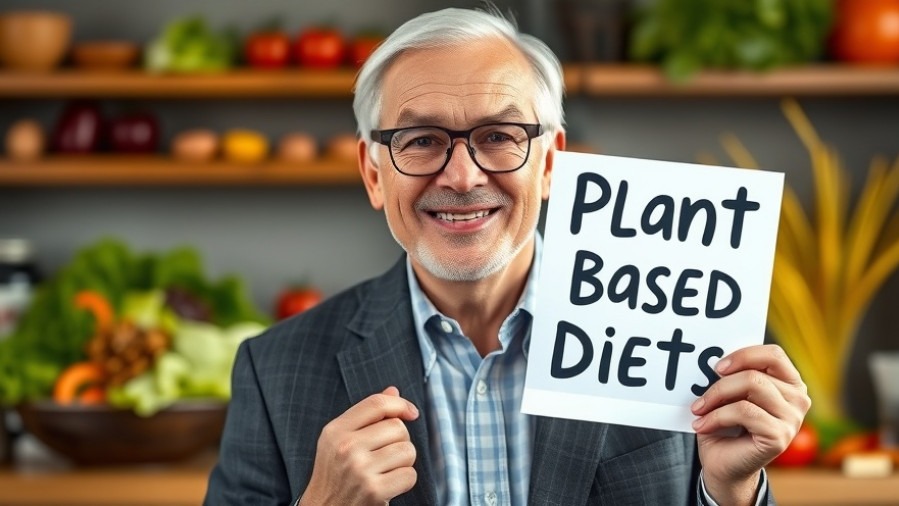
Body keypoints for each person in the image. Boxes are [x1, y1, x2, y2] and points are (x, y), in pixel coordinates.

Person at [204, 6, 811, 506]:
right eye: (420, 141)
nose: (464, 177)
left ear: (550, 164)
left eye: (499, 136)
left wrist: (731, 491)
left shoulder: (691, 337)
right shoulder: (272, 369)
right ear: (372, 172)